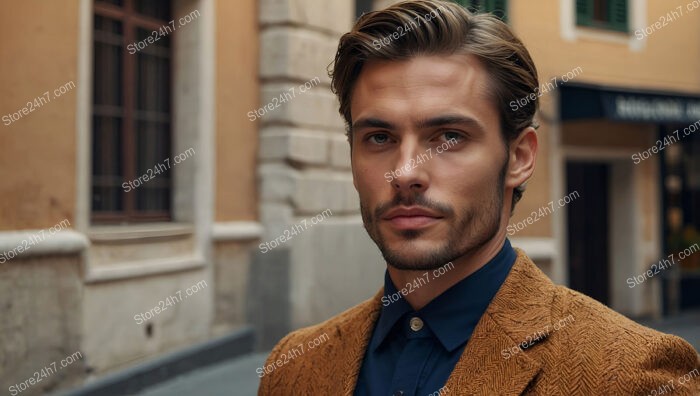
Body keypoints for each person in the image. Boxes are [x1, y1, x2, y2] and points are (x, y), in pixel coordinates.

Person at [258, 1, 700, 394]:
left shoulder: (633, 377)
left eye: (449, 136)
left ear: (519, 157)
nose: (406, 172)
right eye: (378, 137)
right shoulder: (293, 368)